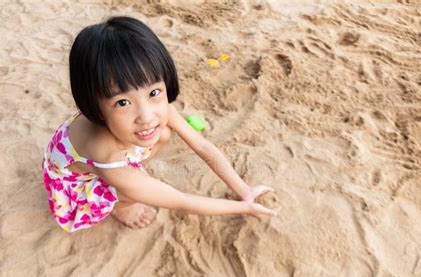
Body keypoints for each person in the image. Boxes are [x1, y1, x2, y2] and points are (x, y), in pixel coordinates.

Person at [42, 16, 278, 233]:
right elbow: (180, 200)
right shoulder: (108, 157)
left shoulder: (155, 107)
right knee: (131, 189)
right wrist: (245, 208)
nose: (146, 115)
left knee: (162, 133)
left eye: (154, 91)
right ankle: (121, 206)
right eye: (122, 102)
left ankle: (130, 181)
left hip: (93, 154)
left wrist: (245, 192)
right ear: (94, 104)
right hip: (75, 181)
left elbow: (203, 147)